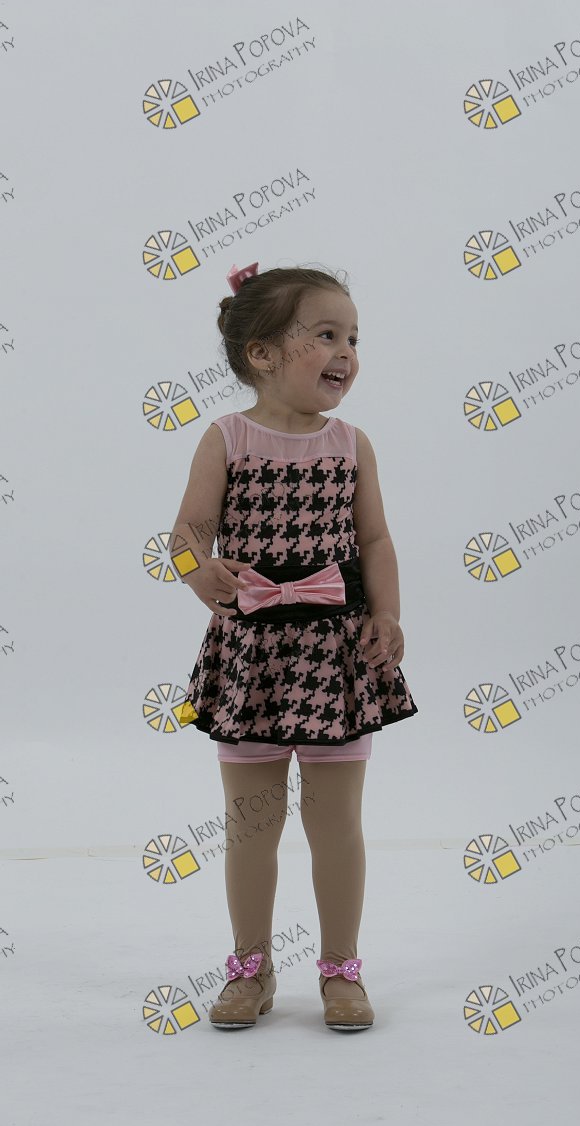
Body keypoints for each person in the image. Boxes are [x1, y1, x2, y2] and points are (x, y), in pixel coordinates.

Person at [170, 261, 418, 1032]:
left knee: (336, 825)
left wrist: (388, 614)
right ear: (263, 354)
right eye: (327, 335)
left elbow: (374, 540)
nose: (346, 352)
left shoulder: (351, 445)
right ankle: (251, 967)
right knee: (253, 825)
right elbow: (186, 534)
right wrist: (198, 571)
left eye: (353, 339)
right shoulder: (226, 438)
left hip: (337, 657)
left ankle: (341, 969)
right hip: (250, 655)